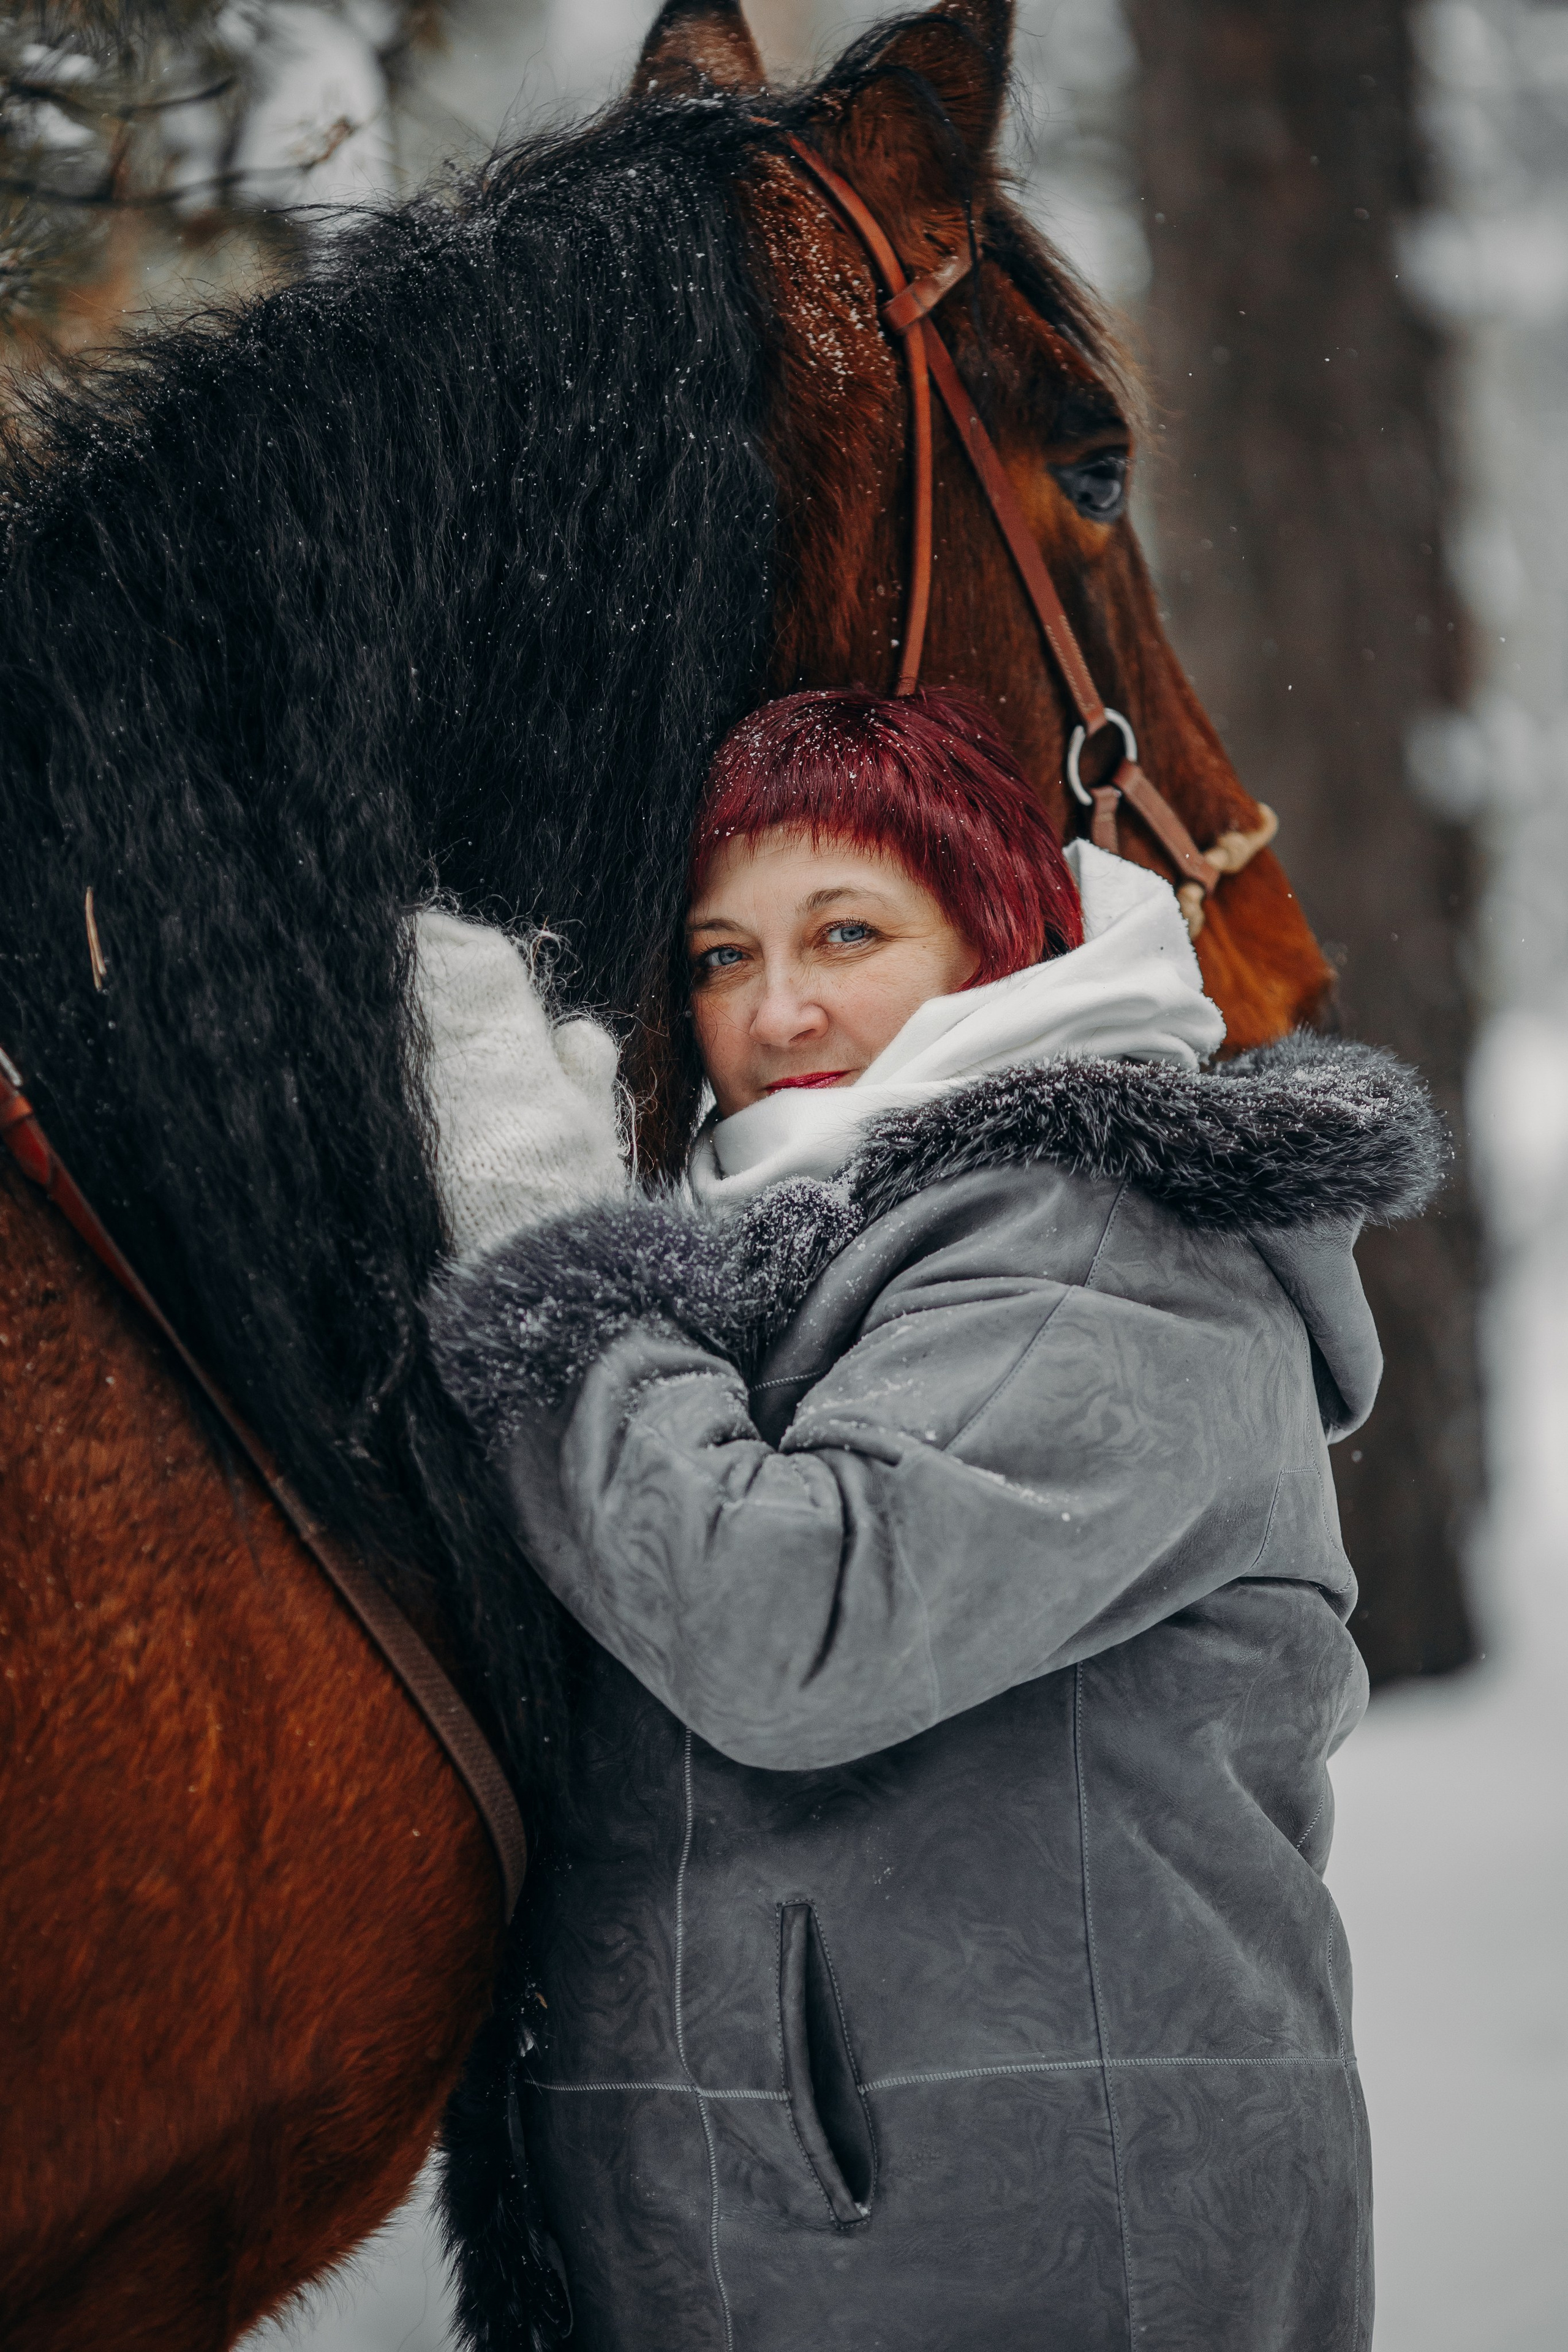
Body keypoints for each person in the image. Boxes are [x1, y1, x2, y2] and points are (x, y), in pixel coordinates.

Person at [429, 687, 1444, 2352]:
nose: (777, 1009)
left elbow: (787, 1622)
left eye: (846, 930)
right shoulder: (812, 1245)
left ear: (998, 943)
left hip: (1037, 2259)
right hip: (814, 2253)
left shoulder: (1110, 1250)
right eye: (718, 956)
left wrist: (556, 1272)